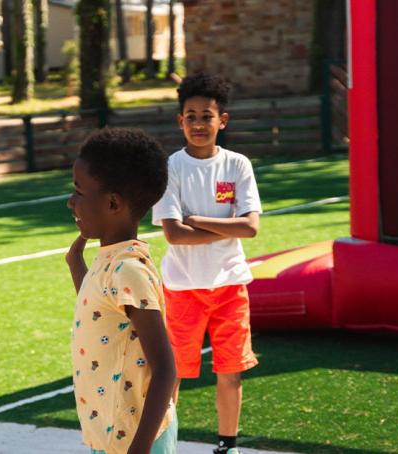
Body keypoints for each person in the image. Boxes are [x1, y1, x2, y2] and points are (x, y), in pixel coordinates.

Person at [151, 72, 262, 454]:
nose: (199, 124)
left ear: (222, 120)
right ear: (180, 121)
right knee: (172, 375)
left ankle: (226, 445)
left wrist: (197, 219)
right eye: (191, 116)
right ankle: (165, 446)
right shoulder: (170, 168)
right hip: (182, 288)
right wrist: (225, 226)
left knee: (230, 373)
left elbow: (250, 227)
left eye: (207, 116)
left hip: (231, 286)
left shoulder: (238, 165)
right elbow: (174, 234)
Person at [65, 128, 177, 454]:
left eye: (79, 191)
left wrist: (138, 450)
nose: (71, 201)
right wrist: (75, 263)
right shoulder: (110, 258)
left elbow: (166, 368)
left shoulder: (128, 269)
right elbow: (102, 314)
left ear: (113, 202)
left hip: (135, 440)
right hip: (110, 435)